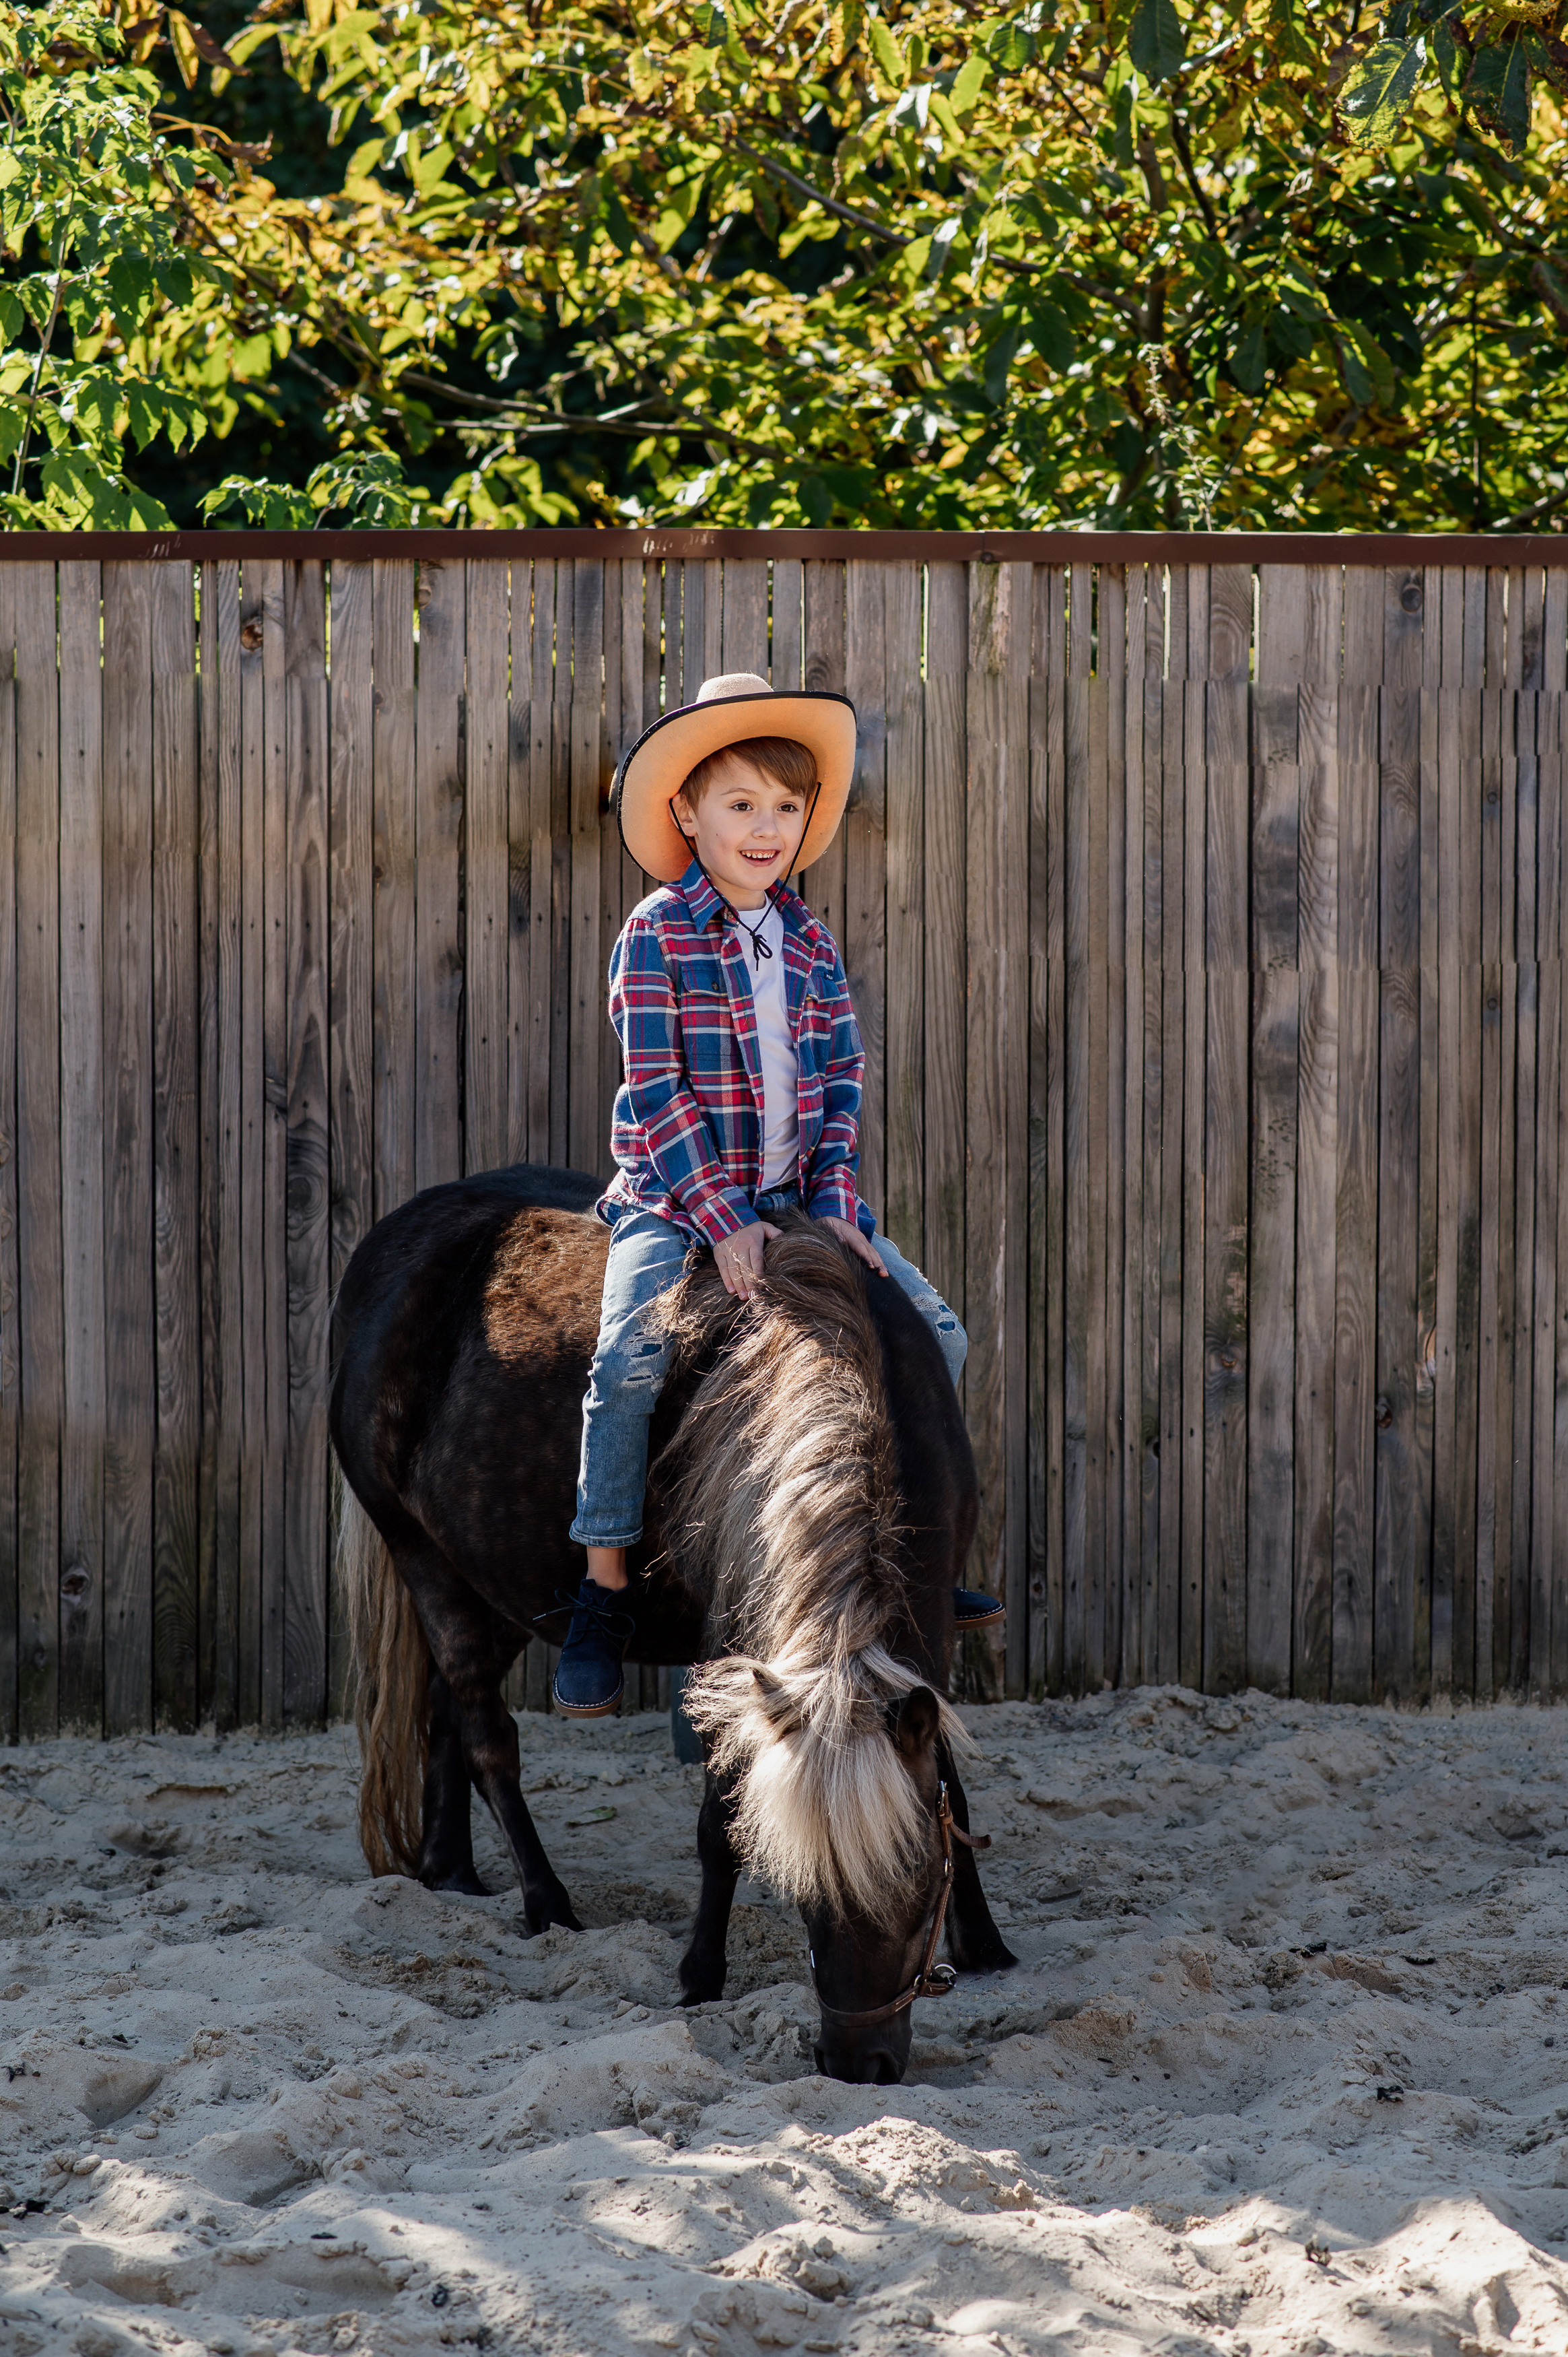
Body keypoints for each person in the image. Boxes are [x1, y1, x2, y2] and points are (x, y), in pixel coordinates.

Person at [552, 669, 1004, 1717]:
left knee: (935, 1339)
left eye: (786, 808)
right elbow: (654, 1091)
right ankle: (604, 1588)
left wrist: (835, 1203)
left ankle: (916, 1565)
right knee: (625, 1362)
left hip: (803, 1197)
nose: (766, 829)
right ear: (686, 815)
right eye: (741, 805)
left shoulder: (806, 939)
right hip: (674, 1200)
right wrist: (722, 1221)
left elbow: (839, 1080)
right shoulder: (658, 931)